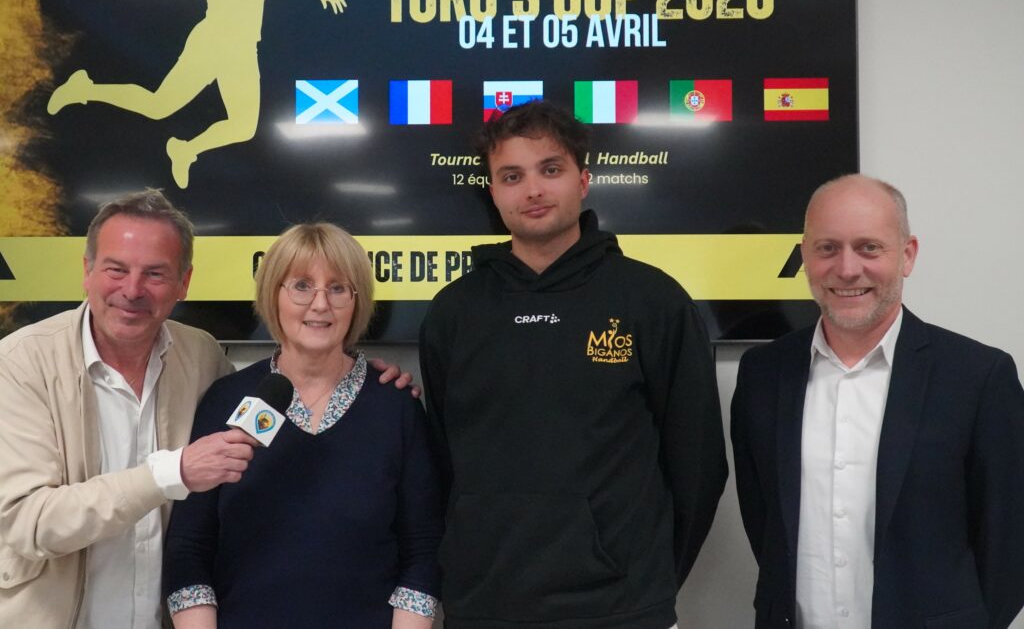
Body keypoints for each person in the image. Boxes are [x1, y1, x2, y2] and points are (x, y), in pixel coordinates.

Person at [0, 190, 413, 628]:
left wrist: (370, 383)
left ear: (184, 283)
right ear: (87, 271)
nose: (133, 290)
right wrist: (171, 473)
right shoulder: (22, 363)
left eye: (155, 273)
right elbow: (23, 523)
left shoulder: (201, 358)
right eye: (116, 269)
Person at [419, 101, 728, 629]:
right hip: (484, 608)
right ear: (492, 192)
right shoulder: (454, 312)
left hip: (623, 610)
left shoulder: (653, 301)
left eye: (550, 169)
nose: (532, 190)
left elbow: (697, 465)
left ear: (583, 180)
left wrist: (645, 580)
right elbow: (443, 465)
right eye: (512, 176)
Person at [730, 174, 1024, 628]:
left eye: (869, 248)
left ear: (907, 255)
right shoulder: (762, 374)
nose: (847, 269)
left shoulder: (978, 377)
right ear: (804, 256)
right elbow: (766, 524)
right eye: (827, 248)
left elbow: (1010, 540)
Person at [163, 223, 442, 628]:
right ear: (272, 294)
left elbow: (423, 550)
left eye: (338, 288)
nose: (320, 304)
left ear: (357, 301)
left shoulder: (395, 406)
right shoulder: (226, 400)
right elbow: (189, 547)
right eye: (301, 286)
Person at [47, 0, 346, 189]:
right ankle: (85, 89)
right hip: (212, 40)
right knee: (159, 105)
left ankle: (185, 149)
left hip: (242, 47)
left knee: (243, 127)